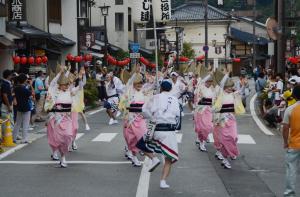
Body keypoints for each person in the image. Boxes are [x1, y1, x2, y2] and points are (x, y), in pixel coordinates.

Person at [136, 80, 181, 189]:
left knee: (140, 145)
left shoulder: (155, 97)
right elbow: (178, 117)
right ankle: (163, 181)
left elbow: (144, 110)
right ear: (170, 89)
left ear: (161, 88)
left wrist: (151, 118)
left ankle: (154, 158)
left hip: (156, 128)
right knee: (168, 158)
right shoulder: (175, 100)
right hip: (169, 131)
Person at [45, 66, 83, 167]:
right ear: (59, 85)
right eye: (64, 85)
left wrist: (80, 77)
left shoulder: (70, 93)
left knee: (67, 136)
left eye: (67, 85)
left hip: (67, 119)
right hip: (57, 119)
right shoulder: (55, 93)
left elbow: (80, 87)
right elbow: (52, 83)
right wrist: (60, 73)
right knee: (58, 139)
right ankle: (62, 158)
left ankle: (63, 155)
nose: (66, 86)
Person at [213, 73, 245, 169]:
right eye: (228, 87)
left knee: (234, 137)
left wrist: (243, 85)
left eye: (231, 87)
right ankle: (225, 159)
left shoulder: (234, 95)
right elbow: (221, 85)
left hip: (231, 119)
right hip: (223, 120)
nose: (230, 89)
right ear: (224, 87)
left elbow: (241, 91)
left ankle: (226, 155)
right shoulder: (221, 95)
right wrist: (226, 76)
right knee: (225, 139)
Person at [119, 73, 149, 167]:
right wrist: (135, 74)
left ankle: (142, 151)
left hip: (140, 119)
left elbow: (153, 86)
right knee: (132, 140)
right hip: (130, 119)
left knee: (143, 135)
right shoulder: (130, 91)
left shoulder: (143, 91)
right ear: (134, 84)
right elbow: (129, 82)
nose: (139, 85)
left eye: (141, 83)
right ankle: (134, 157)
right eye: (137, 84)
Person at [282, 85, 300, 197]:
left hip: (294, 144)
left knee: (291, 169)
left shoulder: (290, 109)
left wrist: (285, 142)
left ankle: (290, 194)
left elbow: (285, 128)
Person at [194, 73, 215, 151]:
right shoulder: (200, 88)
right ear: (205, 81)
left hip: (208, 110)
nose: (209, 83)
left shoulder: (213, 89)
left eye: (211, 81)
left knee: (209, 126)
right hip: (200, 110)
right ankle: (201, 142)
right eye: (208, 81)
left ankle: (203, 138)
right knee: (200, 128)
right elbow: (196, 96)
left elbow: (215, 100)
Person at [12, 74, 33, 144]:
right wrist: (31, 85)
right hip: (26, 107)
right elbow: (32, 94)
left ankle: (13, 138)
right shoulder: (25, 89)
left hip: (19, 107)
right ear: (24, 80)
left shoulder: (16, 88)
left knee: (17, 123)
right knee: (25, 124)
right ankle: (24, 139)